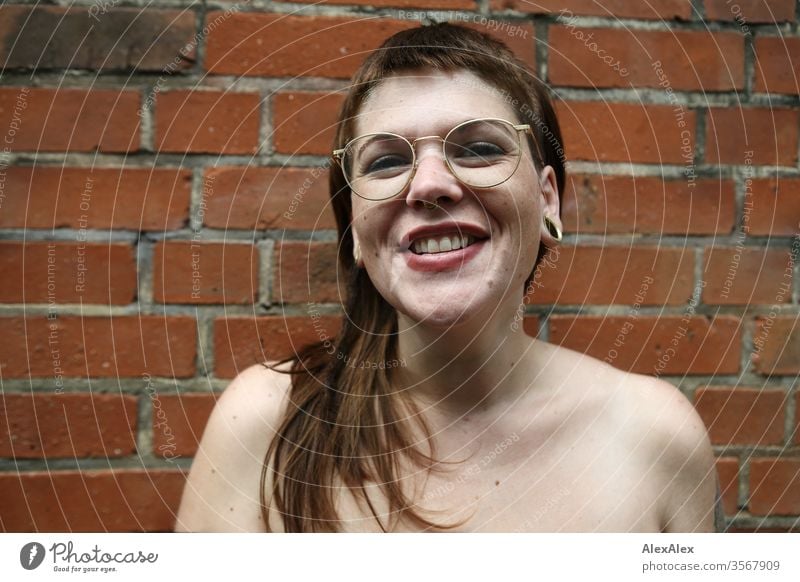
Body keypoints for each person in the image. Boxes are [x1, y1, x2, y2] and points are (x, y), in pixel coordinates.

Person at [175, 23, 720, 533]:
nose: (429, 184)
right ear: (358, 234)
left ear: (548, 201)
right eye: (386, 161)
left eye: (480, 148)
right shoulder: (264, 429)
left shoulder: (653, 440)